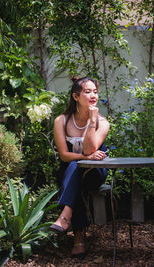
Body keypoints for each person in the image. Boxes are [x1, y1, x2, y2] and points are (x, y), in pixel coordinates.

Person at [50, 76, 109, 259]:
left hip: (95, 172)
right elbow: (64, 155)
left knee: (77, 171)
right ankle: (78, 239)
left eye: (95, 92)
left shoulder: (103, 123)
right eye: (87, 91)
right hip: (69, 171)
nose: (93, 95)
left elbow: (89, 148)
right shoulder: (61, 121)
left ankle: (66, 215)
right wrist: (86, 157)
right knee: (75, 169)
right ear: (76, 96)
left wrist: (92, 121)